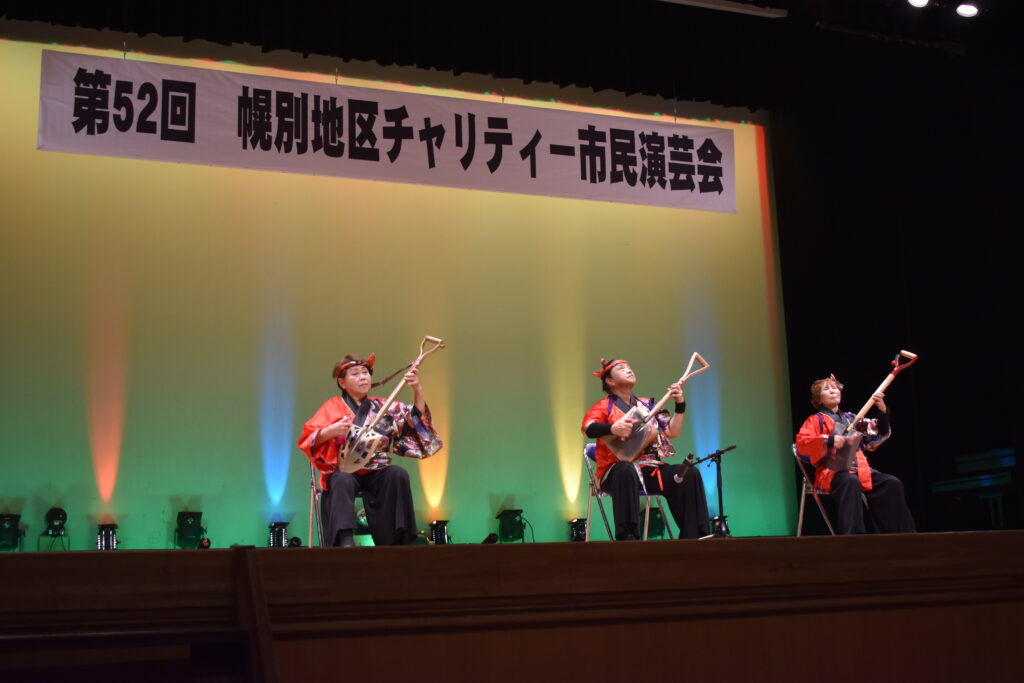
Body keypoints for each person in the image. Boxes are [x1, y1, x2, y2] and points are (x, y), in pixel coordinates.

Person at [298, 353, 443, 547]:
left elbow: (416, 418)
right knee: (341, 480)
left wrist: (417, 388)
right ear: (342, 382)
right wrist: (328, 432)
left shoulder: (382, 406)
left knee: (397, 474)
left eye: (365, 372)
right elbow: (308, 438)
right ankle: (344, 540)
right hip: (345, 470)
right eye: (355, 374)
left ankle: (395, 540)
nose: (363, 377)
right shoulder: (332, 406)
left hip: (376, 470)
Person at [581, 358, 710, 540]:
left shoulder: (647, 404)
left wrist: (680, 404)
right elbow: (587, 428)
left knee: (688, 474)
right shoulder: (605, 406)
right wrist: (613, 428)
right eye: (621, 368)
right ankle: (628, 537)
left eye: (629, 367)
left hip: (650, 471)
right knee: (626, 470)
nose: (628, 370)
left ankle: (695, 537)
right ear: (610, 380)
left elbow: (672, 431)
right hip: (616, 473)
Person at [795, 375, 915, 534]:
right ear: (819, 399)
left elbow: (880, 433)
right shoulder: (815, 420)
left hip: (860, 470)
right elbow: (802, 443)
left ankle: (900, 535)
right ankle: (853, 538)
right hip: (832, 471)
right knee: (850, 481)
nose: (832, 391)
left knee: (891, 483)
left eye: (835, 388)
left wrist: (882, 409)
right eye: (826, 389)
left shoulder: (852, 419)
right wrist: (829, 440)